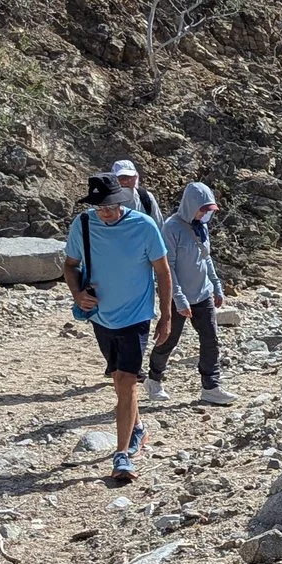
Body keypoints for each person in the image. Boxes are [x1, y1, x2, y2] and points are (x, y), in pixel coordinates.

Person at [63, 172, 175, 484]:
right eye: (100, 208)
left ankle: (122, 455)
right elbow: (70, 266)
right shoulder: (83, 224)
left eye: (111, 207)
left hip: (137, 317)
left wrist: (165, 317)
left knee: (126, 382)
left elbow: (163, 273)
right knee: (118, 380)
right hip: (101, 317)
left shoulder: (143, 226)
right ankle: (137, 427)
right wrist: (77, 294)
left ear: (122, 201)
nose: (106, 213)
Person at [149, 180, 239, 406]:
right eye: (204, 209)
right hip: (178, 297)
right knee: (169, 340)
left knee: (211, 340)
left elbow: (205, 258)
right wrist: (178, 299)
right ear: (191, 205)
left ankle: (211, 386)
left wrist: (216, 285)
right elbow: (167, 267)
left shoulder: (202, 226)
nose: (207, 214)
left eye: (210, 210)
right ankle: (154, 378)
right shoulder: (171, 228)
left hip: (203, 294)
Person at [108, 159, 164, 224]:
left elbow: (158, 225)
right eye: (121, 178)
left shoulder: (146, 198)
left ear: (135, 178)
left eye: (129, 178)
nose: (125, 182)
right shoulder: (103, 202)